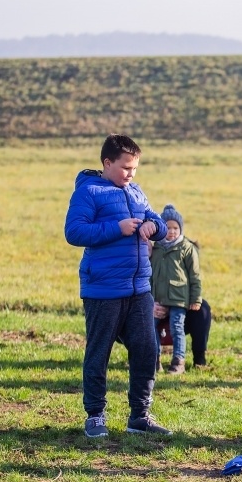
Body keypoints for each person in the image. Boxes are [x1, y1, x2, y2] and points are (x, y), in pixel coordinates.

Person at [64, 134, 172, 438]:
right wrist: (118, 228)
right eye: (125, 168)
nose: (131, 174)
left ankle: (140, 416)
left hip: (139, 288)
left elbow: (157, 222)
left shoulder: (136, 192)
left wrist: (155, 227)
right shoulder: (89, 192)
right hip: (103, 290)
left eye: (135, 169)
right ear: (107, 162)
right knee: (99, 353)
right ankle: (95, 415)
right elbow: (74, 232)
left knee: (147, 349)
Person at [150, 204, 202, 375]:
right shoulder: (155, 248)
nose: (171, 231)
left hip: (179, 298)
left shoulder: (186, 248)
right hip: (158, 298)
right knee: (151, 327)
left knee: (176, 327)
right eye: (167, 227)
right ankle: (154, 360)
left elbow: (194, 276)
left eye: (175, 228)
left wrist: (195, 299)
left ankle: (178, 361)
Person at [156, 298, 211, 368]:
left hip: (179, 302)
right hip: (153, 302)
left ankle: (199, 359)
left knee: (202, 307)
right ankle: (153, 359)